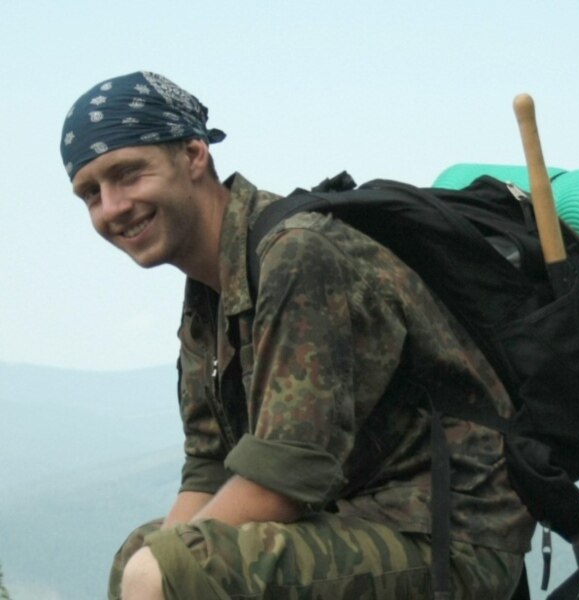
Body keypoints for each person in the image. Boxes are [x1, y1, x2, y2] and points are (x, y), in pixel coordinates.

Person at [61, 71, 535, 600]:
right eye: (90, 194)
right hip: (357, 518)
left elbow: (285, 477)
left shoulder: (298, 253)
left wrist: (173, 569)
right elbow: (209, 466)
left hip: (448, 537)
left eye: (128, 174)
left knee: (166, 570)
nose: (112, 207)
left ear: (194, 155)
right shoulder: (209, 298)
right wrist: (163, 561)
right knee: (140, 557)